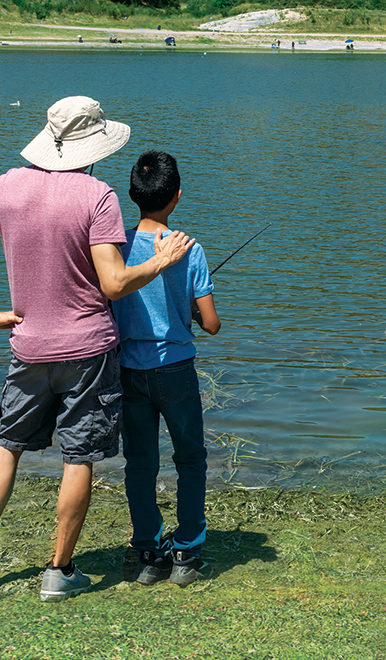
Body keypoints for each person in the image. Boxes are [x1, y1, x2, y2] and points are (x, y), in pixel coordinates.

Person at [0, 96, 194, 602]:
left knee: (6, 444)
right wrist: (161, 261)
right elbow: (116, 283)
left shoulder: (5, 185)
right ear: (94, 147)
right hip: (88, 352)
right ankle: (59, 571)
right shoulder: (97, 196)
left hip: (28, 345)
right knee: (79, 456)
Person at [113, 150, 220, 588]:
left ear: (133, 196)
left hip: (128, 369)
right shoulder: (188, 249)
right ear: (176, 196)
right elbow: (211, 324)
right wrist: (194, 314)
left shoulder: (115, 243)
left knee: (140, 463)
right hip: (175, 369)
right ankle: (187, 552)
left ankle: (147, 551)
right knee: (190, 459)